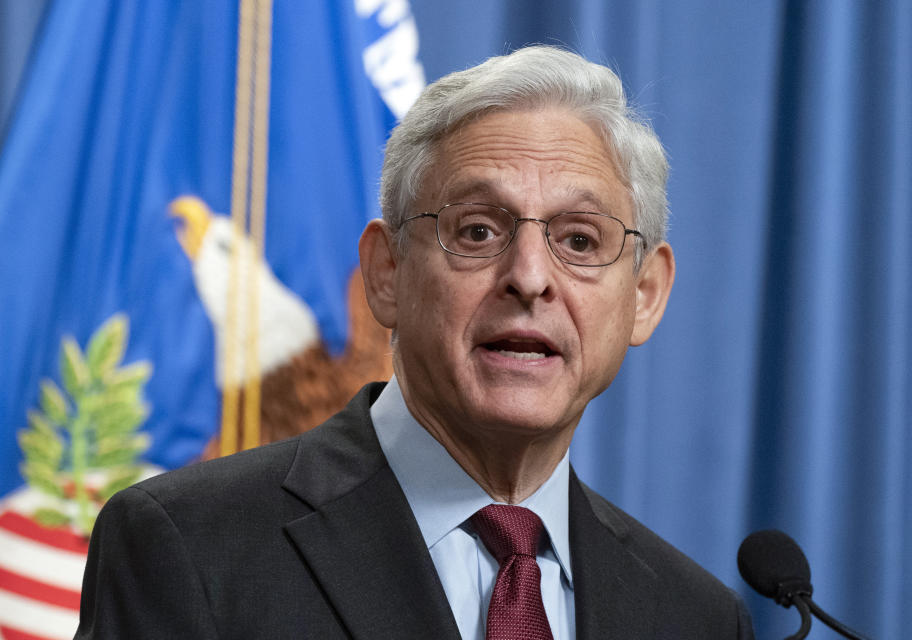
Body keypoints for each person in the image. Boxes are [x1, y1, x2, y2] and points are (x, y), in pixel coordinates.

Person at [76, 46, 753, 639]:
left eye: (579, 240)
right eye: (478, 231)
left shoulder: (697, 619)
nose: (529, 278)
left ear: (643, 295)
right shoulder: (187, 547)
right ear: (387, 273)